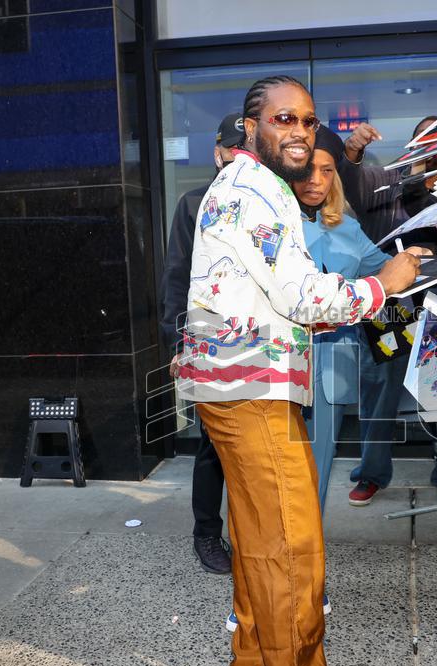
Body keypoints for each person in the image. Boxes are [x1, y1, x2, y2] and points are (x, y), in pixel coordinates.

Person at [177, 74, 418, 666]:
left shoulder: (239, 184)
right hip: (251, 391)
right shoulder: (257, 191)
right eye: (284, 118)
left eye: (309, 121)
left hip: (230, 386)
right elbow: (303, 297)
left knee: (258, 537)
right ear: (250, 124)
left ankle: (254, 663)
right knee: (293, 552)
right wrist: (383, 284)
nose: (300, 132)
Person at [295, 125, 421, 513]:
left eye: (327, 170)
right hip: (280, 361)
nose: (316, 181)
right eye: (308, 170)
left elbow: (385, 271)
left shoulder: (347, 228)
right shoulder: (274, 225)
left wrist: (415, 260)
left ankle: (307, 543)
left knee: (317, 466)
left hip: (334, 362)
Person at [160, 112, 245, 577]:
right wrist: (178, 343)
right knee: (213, 444)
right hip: (210, 341)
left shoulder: (268, 201)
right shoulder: (195, 204)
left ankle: (253, 535)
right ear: (218, 153)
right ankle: (207, 534)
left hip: (262, 342)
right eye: (233, 150)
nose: (239, 159)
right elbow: (177, 275)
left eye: (247, 151)